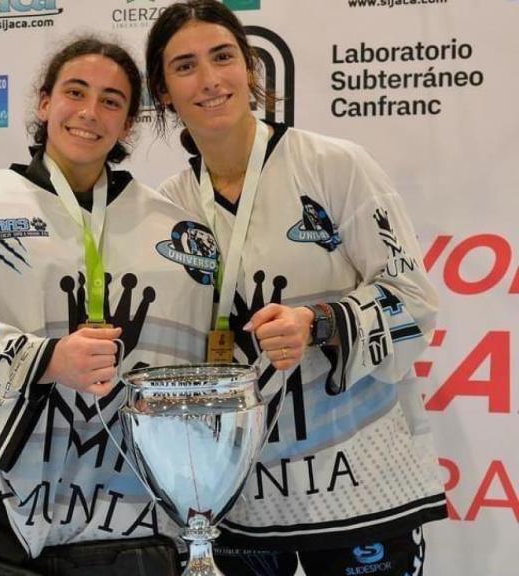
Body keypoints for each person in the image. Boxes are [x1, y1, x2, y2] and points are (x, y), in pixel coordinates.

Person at [0, 36, 217, 575]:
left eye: (111, 101)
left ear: (128, 124)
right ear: (44, 103)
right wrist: (44, 361)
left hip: (117, 513)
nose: (90, 112)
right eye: (75, 92)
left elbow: (194, 373)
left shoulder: (177, 232)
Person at [145, 2, 447, 575]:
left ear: (250, 68)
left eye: (222, 57)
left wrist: (321, 323)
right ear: (163, 91)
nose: (209, 80)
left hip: (359, 481)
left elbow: (414, 301)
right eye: (185, 66)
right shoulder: (168, 206)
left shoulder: (334, 166)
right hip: (242, 496)